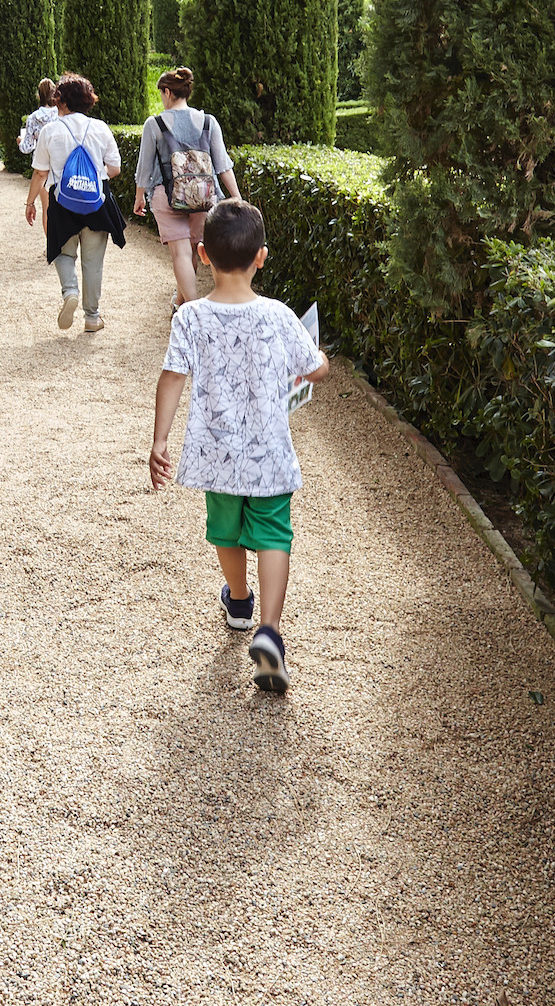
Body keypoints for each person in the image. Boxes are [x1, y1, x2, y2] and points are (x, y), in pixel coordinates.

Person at [145, 200, 332, 694]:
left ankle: (239, 599)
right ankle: (269, 630)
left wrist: (160, 440)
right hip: (268, 452)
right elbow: (315, 369)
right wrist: (319, 360)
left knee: (225, 531)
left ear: (203, 254)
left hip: (215, 454)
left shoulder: (190, 317)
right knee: (273, 535)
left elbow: (172, 377)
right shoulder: (278, 315)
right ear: (261, 257)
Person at [133, 66, 240, 311]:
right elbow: (222, 165)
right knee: (192, 251)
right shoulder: (208, 122)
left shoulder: (154, 124)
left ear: (167, 92)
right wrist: (237, 198)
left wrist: (139, 197)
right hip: (203, 196)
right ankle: (180, 302)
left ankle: (192, 312)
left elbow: (144, 169)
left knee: (180, 254)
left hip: (167, 195)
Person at [25, 72, 125, 334]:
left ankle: (70, 291)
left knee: (63, 252)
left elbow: (40, 173)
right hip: (96, 203)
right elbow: (115, 168)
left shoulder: (50, 131)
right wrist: (92, 177)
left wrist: (30, 203)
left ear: (61, 100)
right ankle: (92, 317)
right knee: (93, 262)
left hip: (63, 203)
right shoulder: (100, 128)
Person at [16, 78, 60, 164]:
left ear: (39, 96)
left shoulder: (32, 118)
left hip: (40, 161)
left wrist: (20, 142)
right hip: (59, 160)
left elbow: (27, 147)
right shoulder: (61, 115)